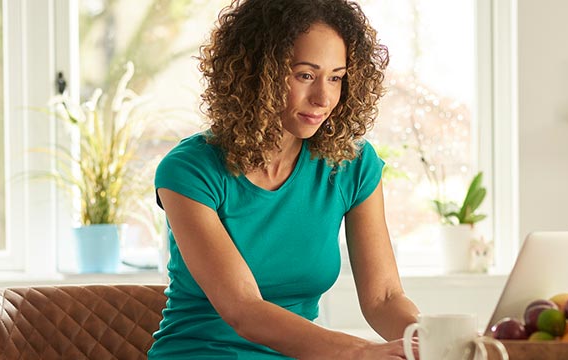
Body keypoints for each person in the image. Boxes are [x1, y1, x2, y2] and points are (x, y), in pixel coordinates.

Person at [147, 0, 418, 358]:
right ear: (256, 72)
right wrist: (360, 352)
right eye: (305, 75)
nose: (323, 98)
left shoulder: (352, 165)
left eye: (336, 77)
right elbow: (245, 310)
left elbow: (384, 299)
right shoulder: (189, 170)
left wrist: (433, 339)